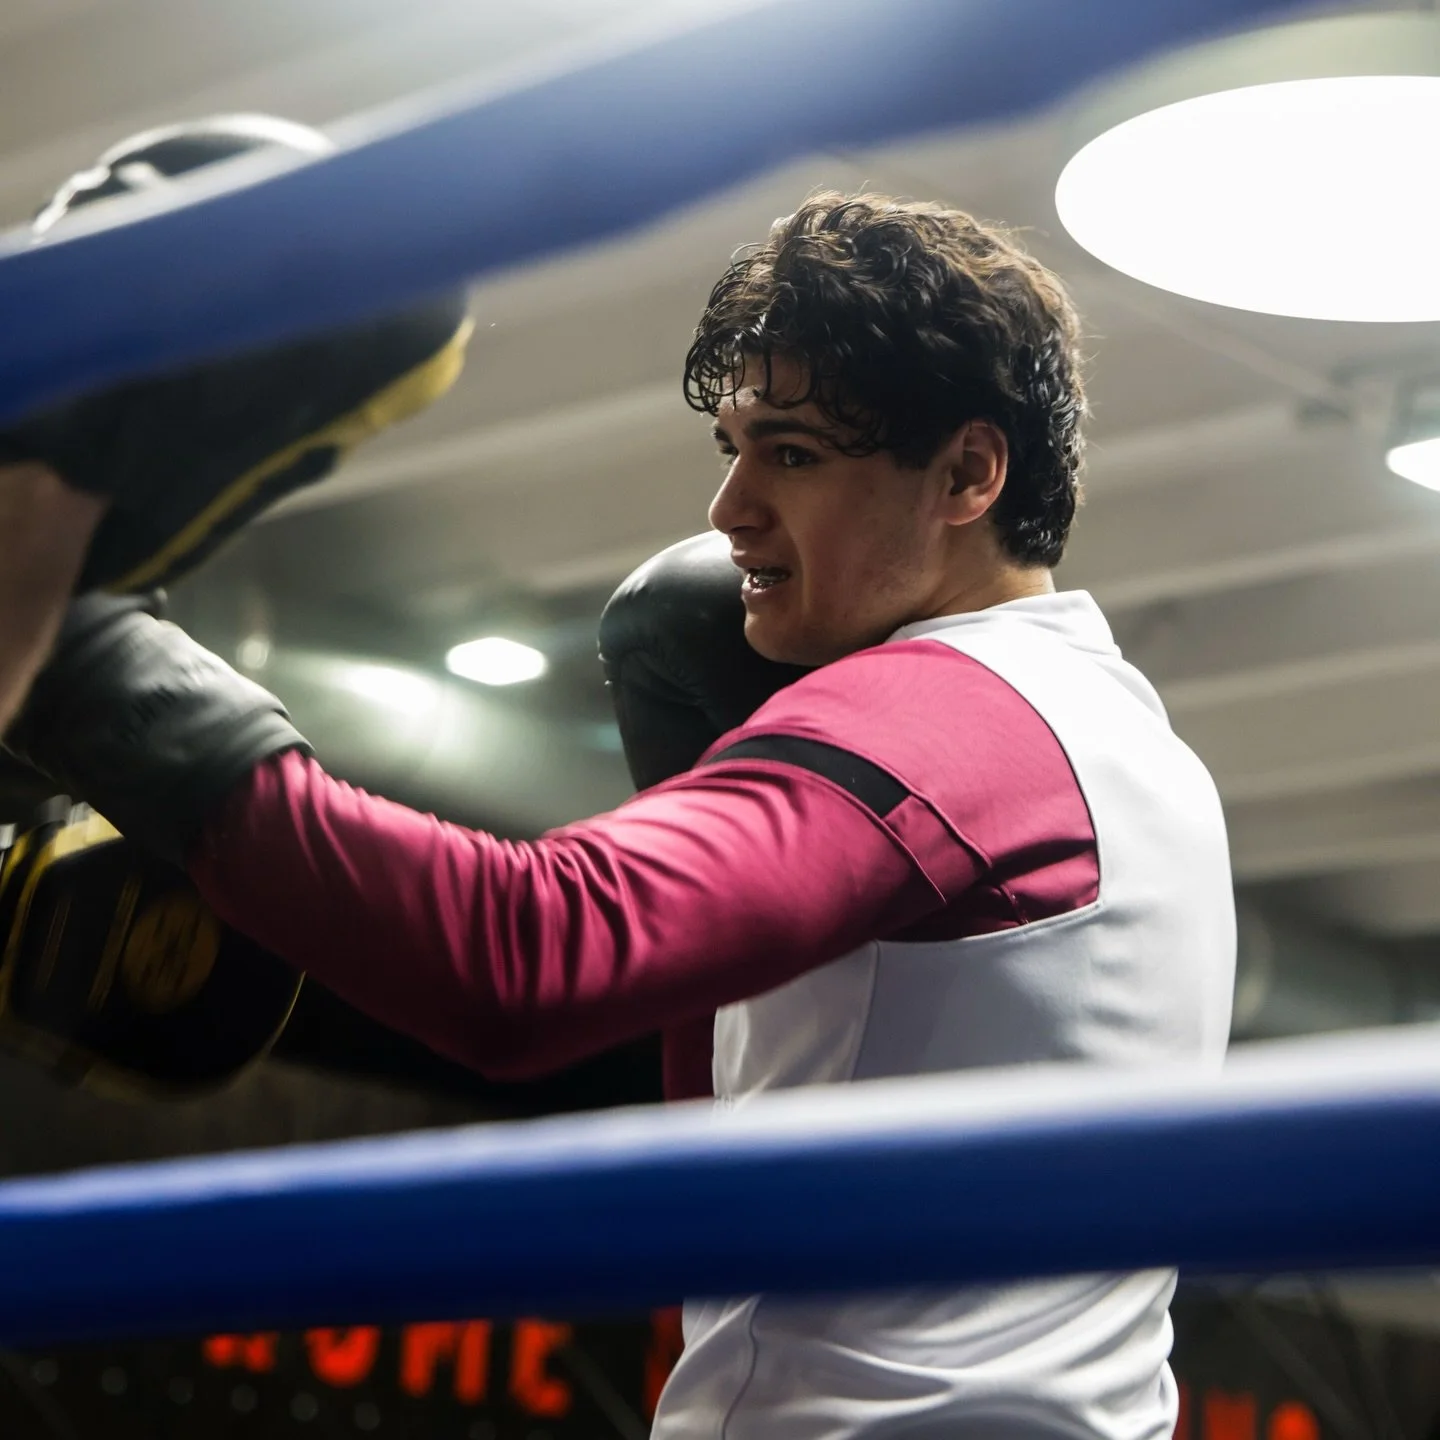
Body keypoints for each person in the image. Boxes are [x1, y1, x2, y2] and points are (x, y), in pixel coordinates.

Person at [3, 192, 1235, 1439]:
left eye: (795, 453)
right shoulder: (1133, 751)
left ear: (969, 472)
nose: (732, 509)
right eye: (736, 448)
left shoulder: (949, 716)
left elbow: (525, 958)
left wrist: (88, 661)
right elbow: (744, 1158)